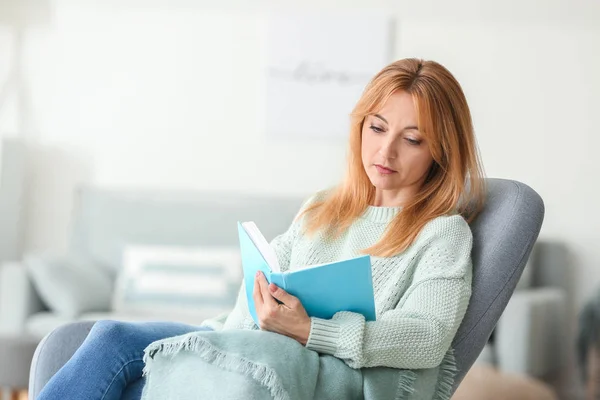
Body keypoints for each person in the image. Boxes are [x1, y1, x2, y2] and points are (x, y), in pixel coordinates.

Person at [37, 58, 486, 399]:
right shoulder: (324, 207)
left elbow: (427, 338)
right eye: (377, 127)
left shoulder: (441, 234)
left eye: (411, 139)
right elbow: (260, 291)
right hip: (243, 342)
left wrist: (310, 330)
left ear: (441, 152)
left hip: (309, 368)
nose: (385, 151)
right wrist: (215, 339)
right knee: (111, 339)